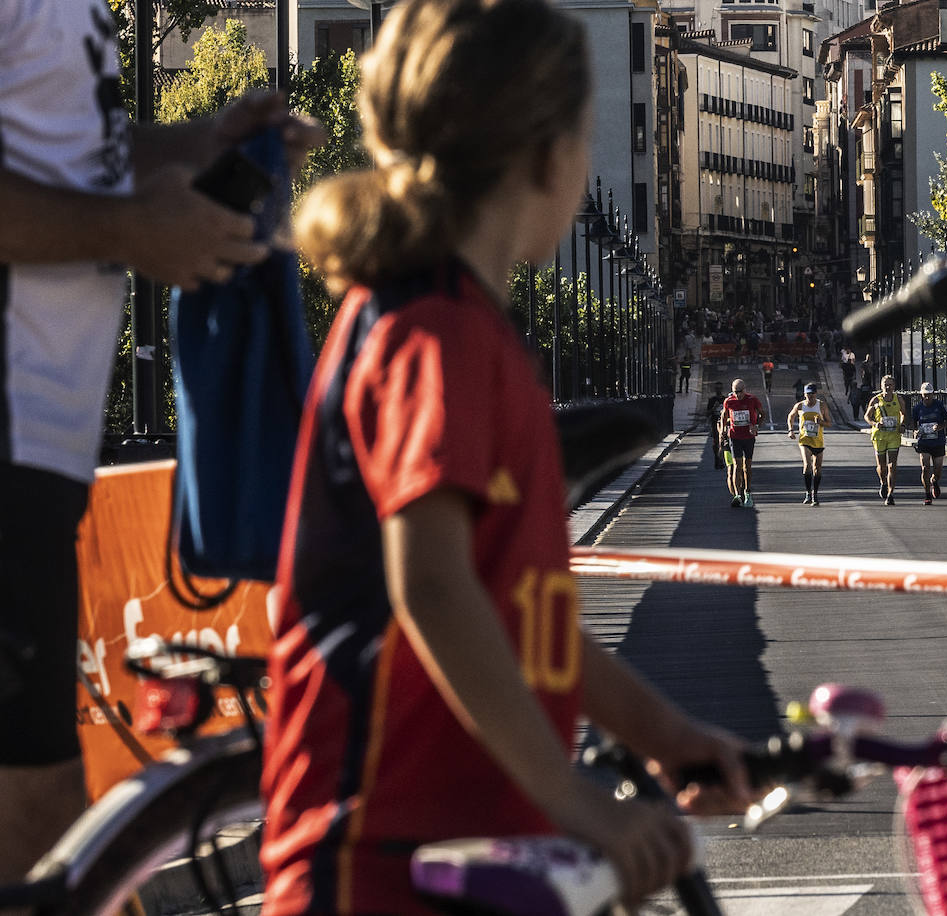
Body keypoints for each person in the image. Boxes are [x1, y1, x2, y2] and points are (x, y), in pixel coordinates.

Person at [265, 3, 756, 913]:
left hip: (467, 846)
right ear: (547, 155)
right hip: (386, 854)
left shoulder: (459, 327)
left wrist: (666, 732)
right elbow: (436, 588)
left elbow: (523, 623)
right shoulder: (434, 331)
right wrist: (572, 796)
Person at [0, 0, 326, 885]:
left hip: (41, 457)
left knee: (44, 824)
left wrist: (201, 145)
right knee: (38, 822)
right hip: (12, 454)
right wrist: (127, 232)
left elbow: (74, 155)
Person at [786, 382, 833, 506]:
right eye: (808, 394)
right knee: (807, 465)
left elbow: (829, 423)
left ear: (816, 394)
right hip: (805, 440)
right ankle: (808, 492)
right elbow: (790, 417)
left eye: (812, 394)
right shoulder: (800, 406)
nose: (810, 397)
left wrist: (821, 422)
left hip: (818, 441)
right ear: (804, 394)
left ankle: (815, 494)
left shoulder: (821, 406)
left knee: (817, 469)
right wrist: (791, 430)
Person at [721, 377, 763, 507]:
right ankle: (737, 495)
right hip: (735, 437)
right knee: (737, 466)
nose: (738, 394)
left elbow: (762, 414)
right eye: (735, 391)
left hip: (749, 437)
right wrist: (723, 430)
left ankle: (748, 492)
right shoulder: (729, 401)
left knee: (747, 467)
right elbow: (724, 415)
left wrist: (756, 425)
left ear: (745, 389)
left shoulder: (752, 399)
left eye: (740, 391)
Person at [910, 382, 947, 505]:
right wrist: (915, 431)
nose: (927, 397)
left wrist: (940, 426)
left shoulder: (940, 406)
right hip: (924, 441)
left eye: (929, 395)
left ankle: (934, 481)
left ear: (933, 394)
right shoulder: (917, 408)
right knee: (925, 467)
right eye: (925, 395)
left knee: (938, 470)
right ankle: (927, 494)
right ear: (921, 395)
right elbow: (913, 422)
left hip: (938, 441)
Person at [865, 375, 905, 505]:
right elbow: (867, 416)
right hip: (879, 436)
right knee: (882, 467)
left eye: (890, 385)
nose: (888, 387)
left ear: (894, 386)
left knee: (892, 466)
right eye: (885, 385)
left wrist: (902, 425)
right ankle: (883, 482)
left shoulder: (898, 399)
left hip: (893, 435)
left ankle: (890, 493)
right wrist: (875, 424)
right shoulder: (876, 400)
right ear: (881, 386)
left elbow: (903, 413)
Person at [705, 380, 728, 469]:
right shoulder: (712, 400)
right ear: (715, 389)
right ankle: (717, 460)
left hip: (725, 423)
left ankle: (722, 460)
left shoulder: (725, 400)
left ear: (722, 389)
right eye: (717, 388)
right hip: (715, 423)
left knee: (724, 443)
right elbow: (707, 413)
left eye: (720, 388)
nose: (718, 390)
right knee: (716, 443)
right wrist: (714, 408)